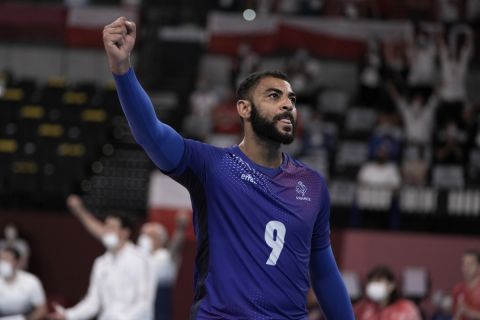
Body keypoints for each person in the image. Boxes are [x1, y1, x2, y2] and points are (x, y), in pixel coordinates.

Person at [102, 16, 354, 319]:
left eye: (292, 99)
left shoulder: (312, 185)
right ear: (244, 109)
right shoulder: (213, 166)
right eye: (274, 96)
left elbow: (325, 273)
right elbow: (151, 134)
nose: (288, 104)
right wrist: (122, 70)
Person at [66, 194, 188, 320]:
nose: (145, 238)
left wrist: (181, 227)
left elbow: (176, 247)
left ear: (162, 241)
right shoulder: (112, 259)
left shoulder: (162, 258)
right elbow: (104, 233)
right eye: (143, 234)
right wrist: (79, 211)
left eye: (151, 235)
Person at [49, 212, 151, 320]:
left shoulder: (140, 260)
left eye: (112, 227)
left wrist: (123, 318)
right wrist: (68, 315)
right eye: (105, 226)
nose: (106, 231)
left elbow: (144, 302)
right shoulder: (101, 262)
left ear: (125, 232)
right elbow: (93, 301)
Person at [354, 265, 422, 320]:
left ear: (391, 285)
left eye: (378, 281)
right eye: (371, 282)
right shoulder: (362, 308)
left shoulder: (406, 309)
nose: (374, 285)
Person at [0, 246, 47, 320]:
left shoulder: (31, 281)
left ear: (16, 262)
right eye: (1, 259)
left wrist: (28, 319)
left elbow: (42, 310)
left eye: (7, 259)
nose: (2, 263)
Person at [451, 250, 480, 320]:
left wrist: (471, 313)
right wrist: (459, 313)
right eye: (464, 264)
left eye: (470, 264)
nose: (466, 268)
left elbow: (469, 313)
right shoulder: (457, 289)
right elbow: (456, 315)